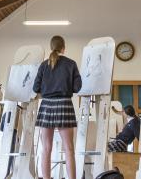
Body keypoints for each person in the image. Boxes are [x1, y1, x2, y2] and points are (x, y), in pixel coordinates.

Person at [33, 35, 82, 179]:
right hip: (64, 104)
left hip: (46, 105)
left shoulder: (43, 65)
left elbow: (36, 87)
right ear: (63, 48)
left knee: (46, 149)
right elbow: (78, 87)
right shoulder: (71, 64)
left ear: (51, 47)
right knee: (69, 149)